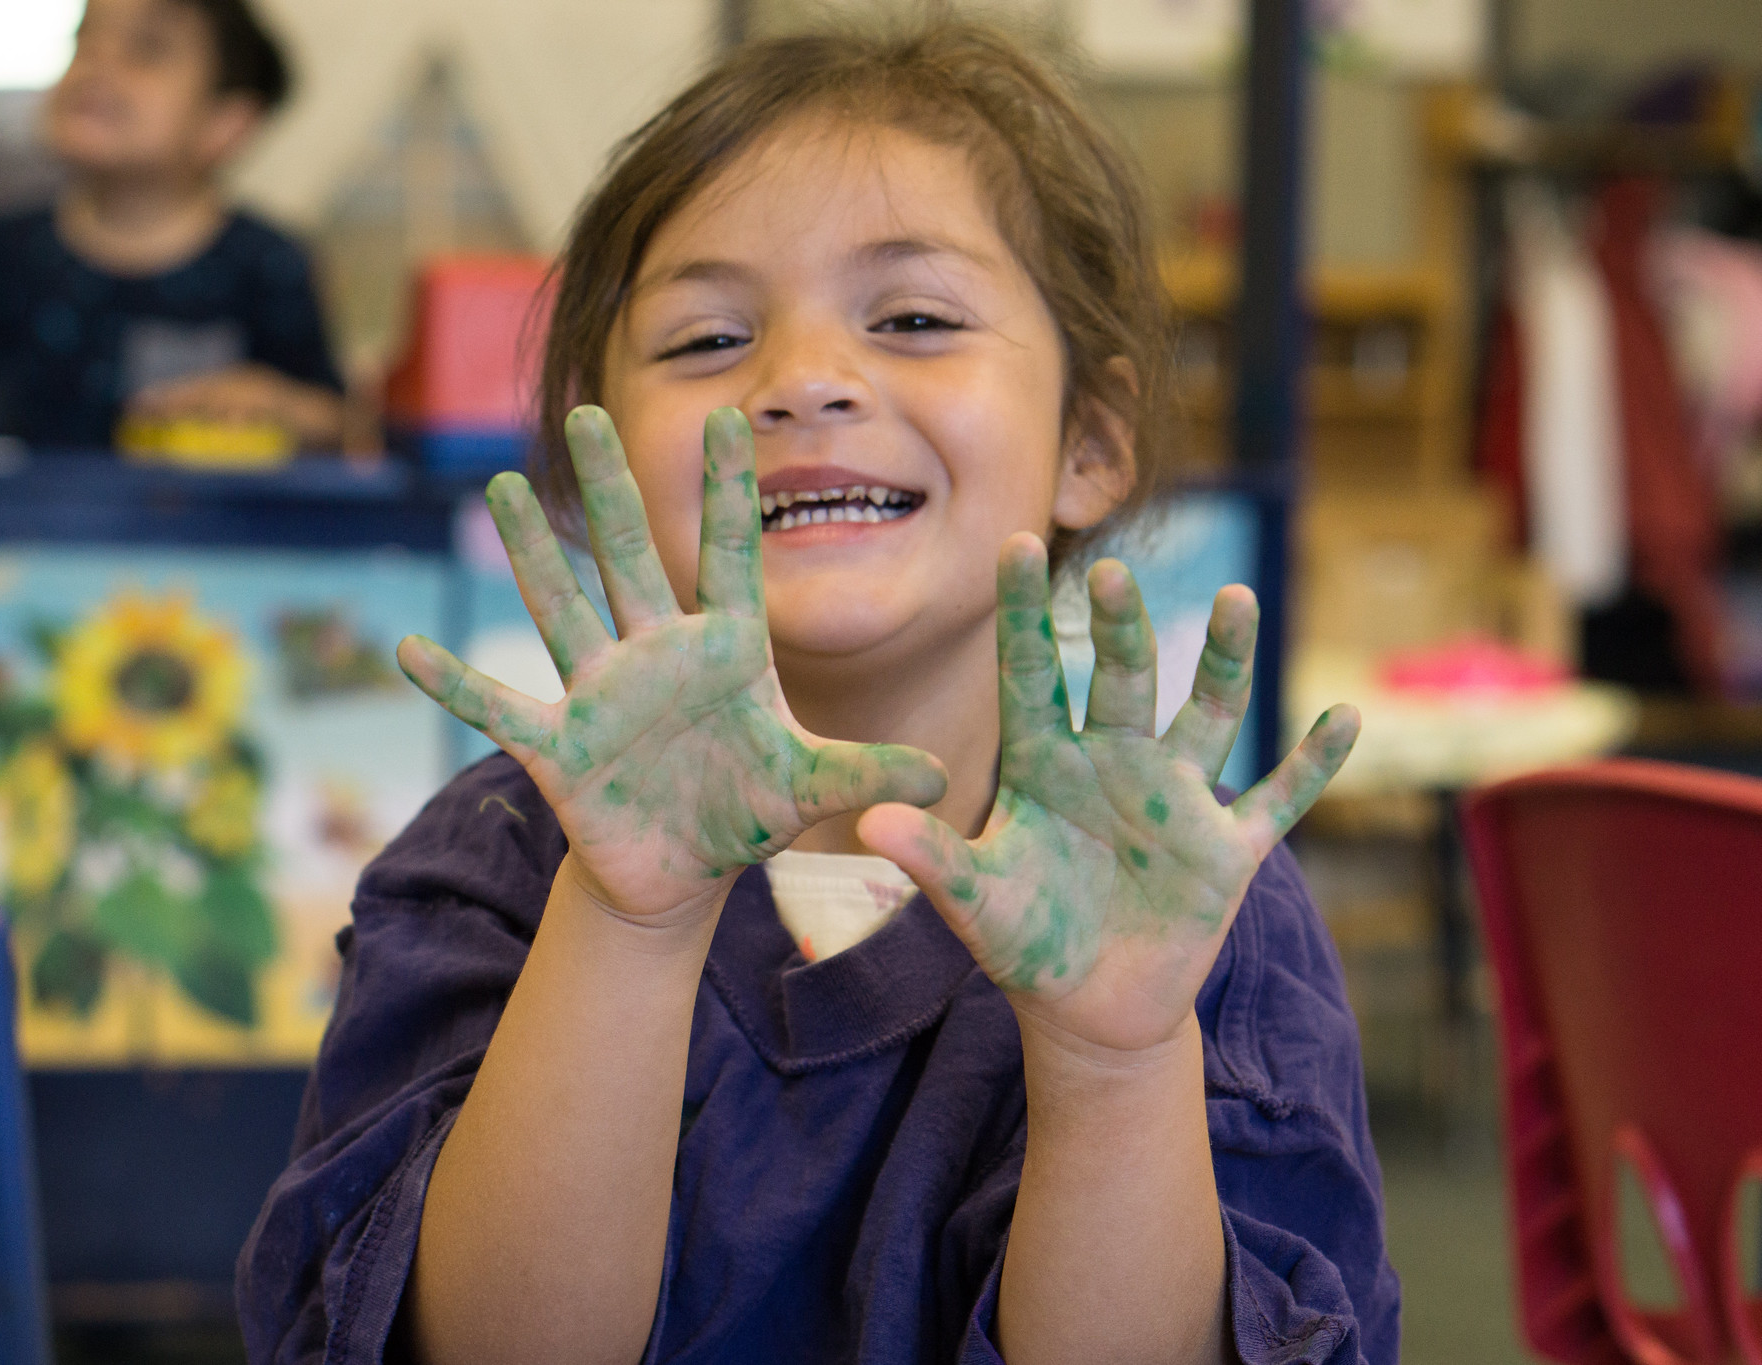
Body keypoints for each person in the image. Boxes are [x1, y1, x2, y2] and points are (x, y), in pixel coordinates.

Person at [239, 18, 1397, 1365]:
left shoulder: (1192, 905)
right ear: (588, 453)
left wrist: (1115, 1064)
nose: (801, 382)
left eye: (911, 317)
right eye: (707, 338)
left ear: (1090, 443)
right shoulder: (496, 860)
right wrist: (626, 914)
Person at [0, 0, 343, 451]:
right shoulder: (2, 251)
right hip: (20, 533)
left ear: (226, 123)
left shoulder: (269, 265)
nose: (97, 60)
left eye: (146, 48)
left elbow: (343, 427)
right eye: (83, 39)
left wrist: (281, 406)